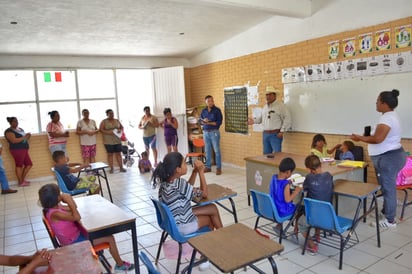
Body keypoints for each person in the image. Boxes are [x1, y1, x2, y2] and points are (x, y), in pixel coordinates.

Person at [38, 184, 134, 271]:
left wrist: (70, 202)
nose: (62, 194)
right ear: (56, 198)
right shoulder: (55, 213)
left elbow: (74, 208)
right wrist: (69, 201)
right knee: (110, 238)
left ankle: (100, 256)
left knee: (97, 229)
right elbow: (77, 216)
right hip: (74, 243)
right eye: (60, 193)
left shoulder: (55, 207)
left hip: (74, 236)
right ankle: (120, 265)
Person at [351, 89, 406, 228]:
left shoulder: (387, 117)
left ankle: (390, 220)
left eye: (378, 101)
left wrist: (359, 137)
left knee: (388, 188)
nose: (376, 103)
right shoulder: (389, 116)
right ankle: (386, 212)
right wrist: (366, 136)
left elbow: (378, 139)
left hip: (388, 158)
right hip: (390, 157)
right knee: (386, 187)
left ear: (384, 103)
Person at [152, 152, 223, 234]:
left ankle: (217, 238)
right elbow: (204, 194)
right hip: (182, 226)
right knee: (210, 215)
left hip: (172, 222)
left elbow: (186, 188)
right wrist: (201, 172)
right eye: (184, 163)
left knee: (211, 208)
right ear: (178, 169)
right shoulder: (179, 183)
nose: (186, 165)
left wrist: (194, 172)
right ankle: (220, 238)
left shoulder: (165, 183)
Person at [299, 155, 334, 255]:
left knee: (301, 223)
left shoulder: (309, 178)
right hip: (327, 214)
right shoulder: (329, 175)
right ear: (321, 164)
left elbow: (304, 189)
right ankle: (317, 235)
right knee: (319, 205)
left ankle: (312, 245)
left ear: (310, 170)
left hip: (314, 215)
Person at [248, 86, 292, 154]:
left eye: (270, 94)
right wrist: (253, 121)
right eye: (266, 95)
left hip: (275, 134)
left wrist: (282, 131)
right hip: (265, 134)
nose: (267, 97)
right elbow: (261, 119)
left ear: (274, 95)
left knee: (277, 155)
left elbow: (287, 118)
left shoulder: (281, 106)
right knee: (266, 155)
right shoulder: (265, 107)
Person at [4, 117, 33, 187]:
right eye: (14, 121)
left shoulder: (20, 129)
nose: (16, 123)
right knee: (19, 165)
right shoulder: (9, 131)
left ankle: (22, 180)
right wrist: (24, 137)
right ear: (10, 123)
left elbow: (24, 139)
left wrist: (28, 136)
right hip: (17, 150)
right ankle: (20, 182)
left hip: (24, 149)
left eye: (17, 121)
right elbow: (13, 140)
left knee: (29, 164)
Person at [200, 95, 223, 175]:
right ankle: (208, 167)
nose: (211, 102)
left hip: (214, 132)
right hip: (205, 132)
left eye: (212, 101)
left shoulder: (217, 110)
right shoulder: (204, 111)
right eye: (209, 101)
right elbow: (201, 121)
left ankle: (218, 168)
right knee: (207, 150)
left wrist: (208, 122)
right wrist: (203, 121)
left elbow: (218, 122)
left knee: (216, 150)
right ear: (206, 102)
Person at [99, 109, 126, 173]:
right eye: (110, 114)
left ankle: (121, 168)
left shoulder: (117, 120)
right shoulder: (104, 121)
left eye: (112, 113)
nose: (112, 115)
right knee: (110, 154)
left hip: (117, 140)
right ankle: (111, 168)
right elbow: (101, 130)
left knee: (119, 154)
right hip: (108, 141)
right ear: (107, 114)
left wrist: (120, 130)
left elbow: (122, 127)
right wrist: (108, 132)